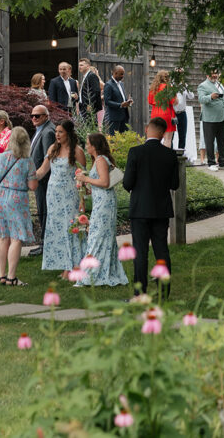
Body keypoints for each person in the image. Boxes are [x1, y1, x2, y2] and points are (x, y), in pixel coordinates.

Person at [124, 117, 180, 295]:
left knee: (140, 253)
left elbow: (127, 183)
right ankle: (165, 291)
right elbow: (174, 184)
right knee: (161, 250)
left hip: (140, 208)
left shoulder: (135, 152)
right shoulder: (170, 155)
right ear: (164, 133)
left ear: (147, 128)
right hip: (161, 209)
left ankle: (140, 293)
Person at [33, 119, 86, 279]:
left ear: (68, 133)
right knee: (57, 229)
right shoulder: (52, 149)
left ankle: (75, 265)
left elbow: (83, 176)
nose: (56, 134)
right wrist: (28, 176)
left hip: (70, 194)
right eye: (56, 131)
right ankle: (64, 265)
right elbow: (42, 171)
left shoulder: (77, 151)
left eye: (60, 132)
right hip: (53, 195)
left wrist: (83, 200)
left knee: (70, 228)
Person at [74, 134, 128, 287]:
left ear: (94, 146)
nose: (86, 146)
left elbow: (105, 182)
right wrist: (90, 188)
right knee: (100, 236)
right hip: (101, 201)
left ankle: (93, 274)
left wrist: (86, 179)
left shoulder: (101, 160)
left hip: (105, 204)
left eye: (88, 144)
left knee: (97, 236)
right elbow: (101, 183)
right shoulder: (99, 160)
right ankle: (103, 271)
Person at [0, 127, 38, 285]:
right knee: (16, 239)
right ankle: (11, 277)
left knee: (3, 237)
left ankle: (2, 275)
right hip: (18, 199)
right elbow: (32, 186)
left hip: (1, 199)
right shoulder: (27, 161)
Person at [27, 105, 56, 256]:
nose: (33, 118)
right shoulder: (41, 129)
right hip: (39, 178)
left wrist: (38, 177)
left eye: (37, 116)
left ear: (46, 116)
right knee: (42, 210)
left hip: (43, 180)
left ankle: (46, 244)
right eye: (32, 115)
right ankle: (44, 243)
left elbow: (48, 159)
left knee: (44, 211)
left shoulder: (48, 132)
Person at [197, 70, 224, 171]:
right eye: (212, 74)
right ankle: (211, 163)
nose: (214, 76)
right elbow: (201, 99)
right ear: (207, 74)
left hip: (221, 117)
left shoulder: (219, 84)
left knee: (222, 141)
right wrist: (210, 97)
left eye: (216, 74)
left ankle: (223, 162)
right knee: (209, 141)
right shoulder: (202, 85)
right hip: (209, 118)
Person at [147, 69, 177, 148]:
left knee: (156, 138)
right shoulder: (168, 87)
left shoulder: (153, 88)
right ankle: (165, 158)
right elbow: (174, 102)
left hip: (155, 114)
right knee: (167, 139)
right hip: (167, 113)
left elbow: (150, 101)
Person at [103, 65, 133, 134]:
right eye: (121, 74)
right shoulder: (109, 85)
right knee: (114, 140)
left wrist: (128, 101)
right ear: (115, 73)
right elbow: (107, 101)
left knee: (124, 138)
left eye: (123, 74)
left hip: (124, 116)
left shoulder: (121, 84)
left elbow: (121, 98)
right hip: (114, 117)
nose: (123, 76)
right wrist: (120, 105)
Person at [78, 57, 103, 127]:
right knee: (86, 127)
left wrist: (90, 104)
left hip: (89, 108)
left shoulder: (92, 76)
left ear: (88, 66)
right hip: (83, 107)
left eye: (82, 65)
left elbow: (97, 91)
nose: (79, 67)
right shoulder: (85, 76)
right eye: (79, 65)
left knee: (90, 127)